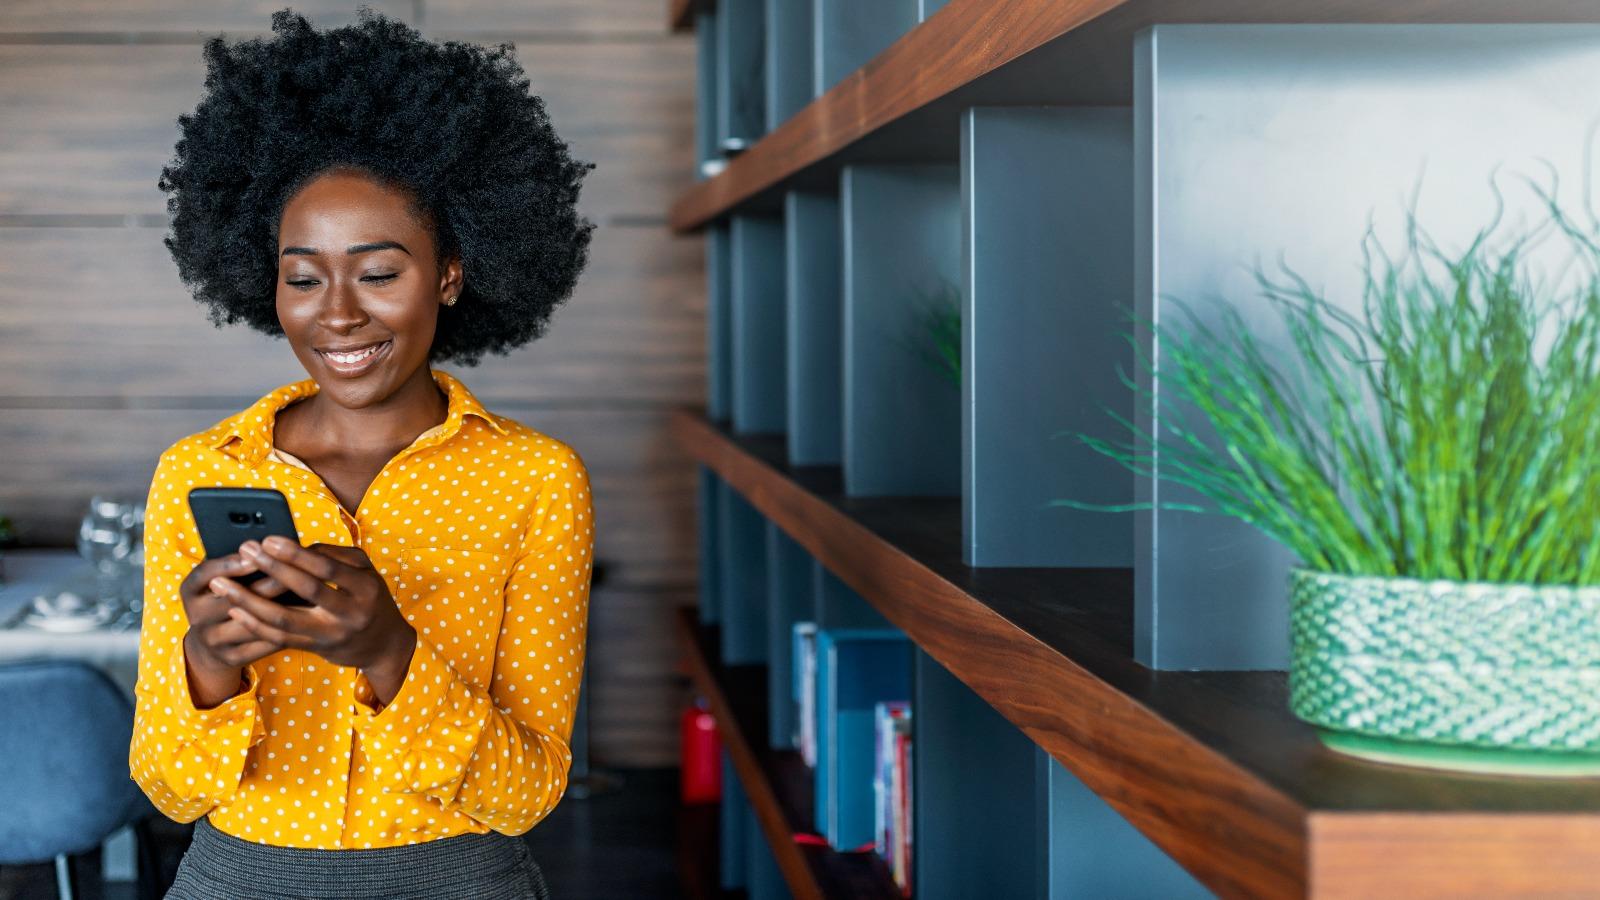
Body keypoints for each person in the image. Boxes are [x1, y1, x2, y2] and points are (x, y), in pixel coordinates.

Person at [128, 9, 597, 898]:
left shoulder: (535, 478)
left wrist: (390, 654)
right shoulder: (202, 470)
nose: (336, 312)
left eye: (379, 273)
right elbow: (168, 784)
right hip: (237, 878)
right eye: (303, 277)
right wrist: (210, 665)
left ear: (450, 273)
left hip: (458, 878)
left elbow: (527, 794)